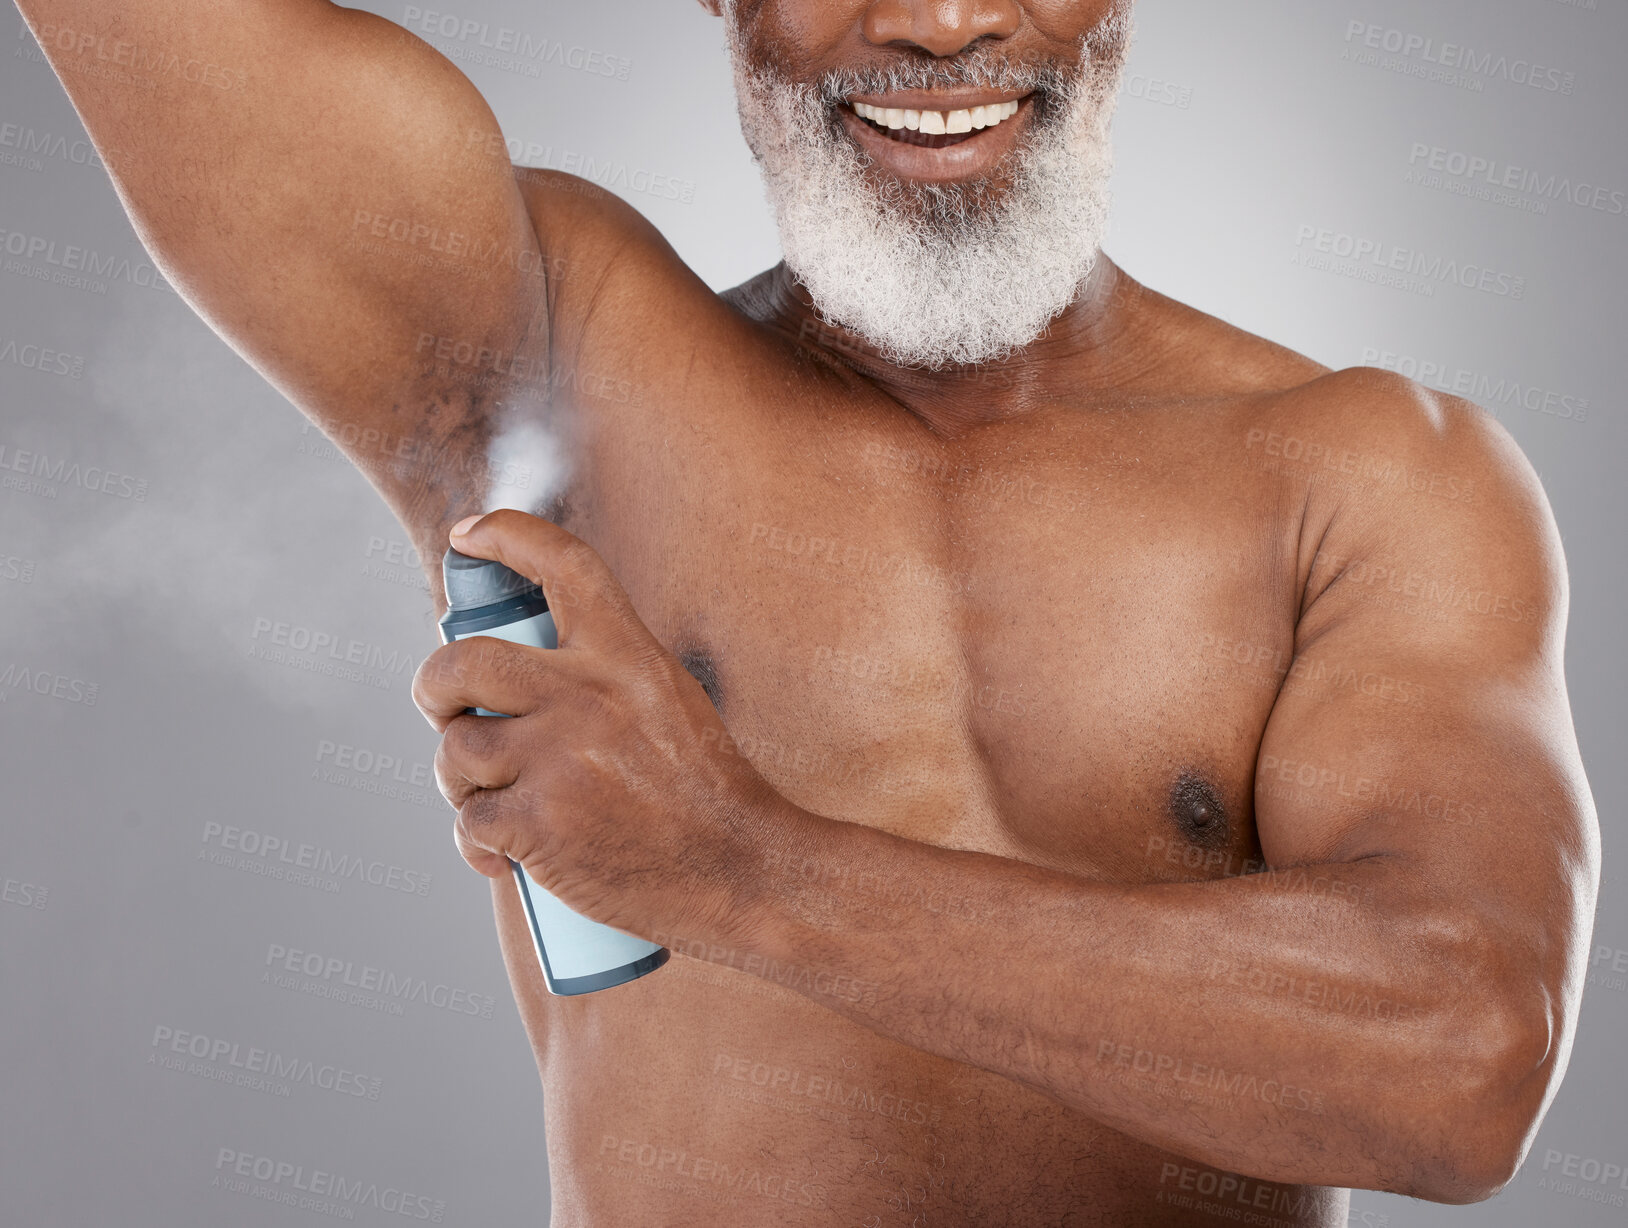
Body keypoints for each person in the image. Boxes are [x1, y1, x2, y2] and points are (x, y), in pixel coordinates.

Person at [19, 0, 1598, 1222]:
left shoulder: (1371, 475)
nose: (941, 19)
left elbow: (1462, 1061)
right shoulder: (538, 348)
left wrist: (734, 866)